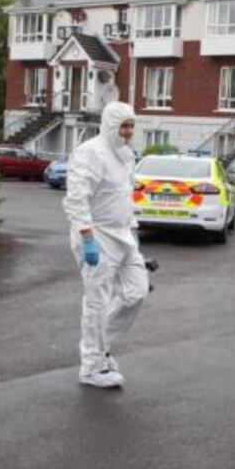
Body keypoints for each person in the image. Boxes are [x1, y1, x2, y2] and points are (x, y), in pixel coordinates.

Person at [63, 101, 148, 389]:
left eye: (131, 126)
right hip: (97, 234)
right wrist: (87, 238)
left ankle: (103, 348)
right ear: (110, 126)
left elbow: (124, 196)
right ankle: (92, 366)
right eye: (123, 126)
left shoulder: (125, 155)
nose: (127, 132)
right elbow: (76, 199)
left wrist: (132, 228)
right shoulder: (90, 154)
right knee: (97, 302)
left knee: (136, 291)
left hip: (122, 233)